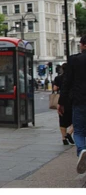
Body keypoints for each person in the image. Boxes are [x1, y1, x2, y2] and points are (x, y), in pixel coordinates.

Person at [58, 35, 86, 174]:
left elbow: (66, 82)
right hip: (79, 100)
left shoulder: (75, 60)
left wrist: (61, 102)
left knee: (79, 131)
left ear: (84, 45)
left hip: (79, 101)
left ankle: (82, 151)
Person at [54, 63, 74, 145]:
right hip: (72, 100)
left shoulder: (58, 78)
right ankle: (69, 132)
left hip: (62, 100)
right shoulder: (73, 78)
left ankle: (63, 138)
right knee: (75, 119)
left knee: (62, 119)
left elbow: (55, 88)